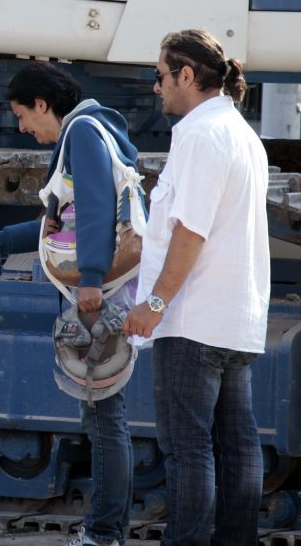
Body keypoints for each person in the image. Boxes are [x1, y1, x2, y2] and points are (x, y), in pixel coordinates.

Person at [0, 61, 138, 546]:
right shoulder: (95, 130)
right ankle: (104, 531)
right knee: (103, 417)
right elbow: (61, 223)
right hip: (103, 289)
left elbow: (92, 206)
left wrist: (90, 280)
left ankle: (103, 535)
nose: (22, 126)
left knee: (105, 419)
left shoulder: (84, 135)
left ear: (43, 104)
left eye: (22, 114)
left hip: (99, 295)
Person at [122, 29, 269, 545]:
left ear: (186, 75)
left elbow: (191, 229)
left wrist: (155, 303)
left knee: (188, 450)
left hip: (193, 319)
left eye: (159, 77)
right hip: (234, 317)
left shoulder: (202, 136)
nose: (156, 89)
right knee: (236, 446)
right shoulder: (241, 133)